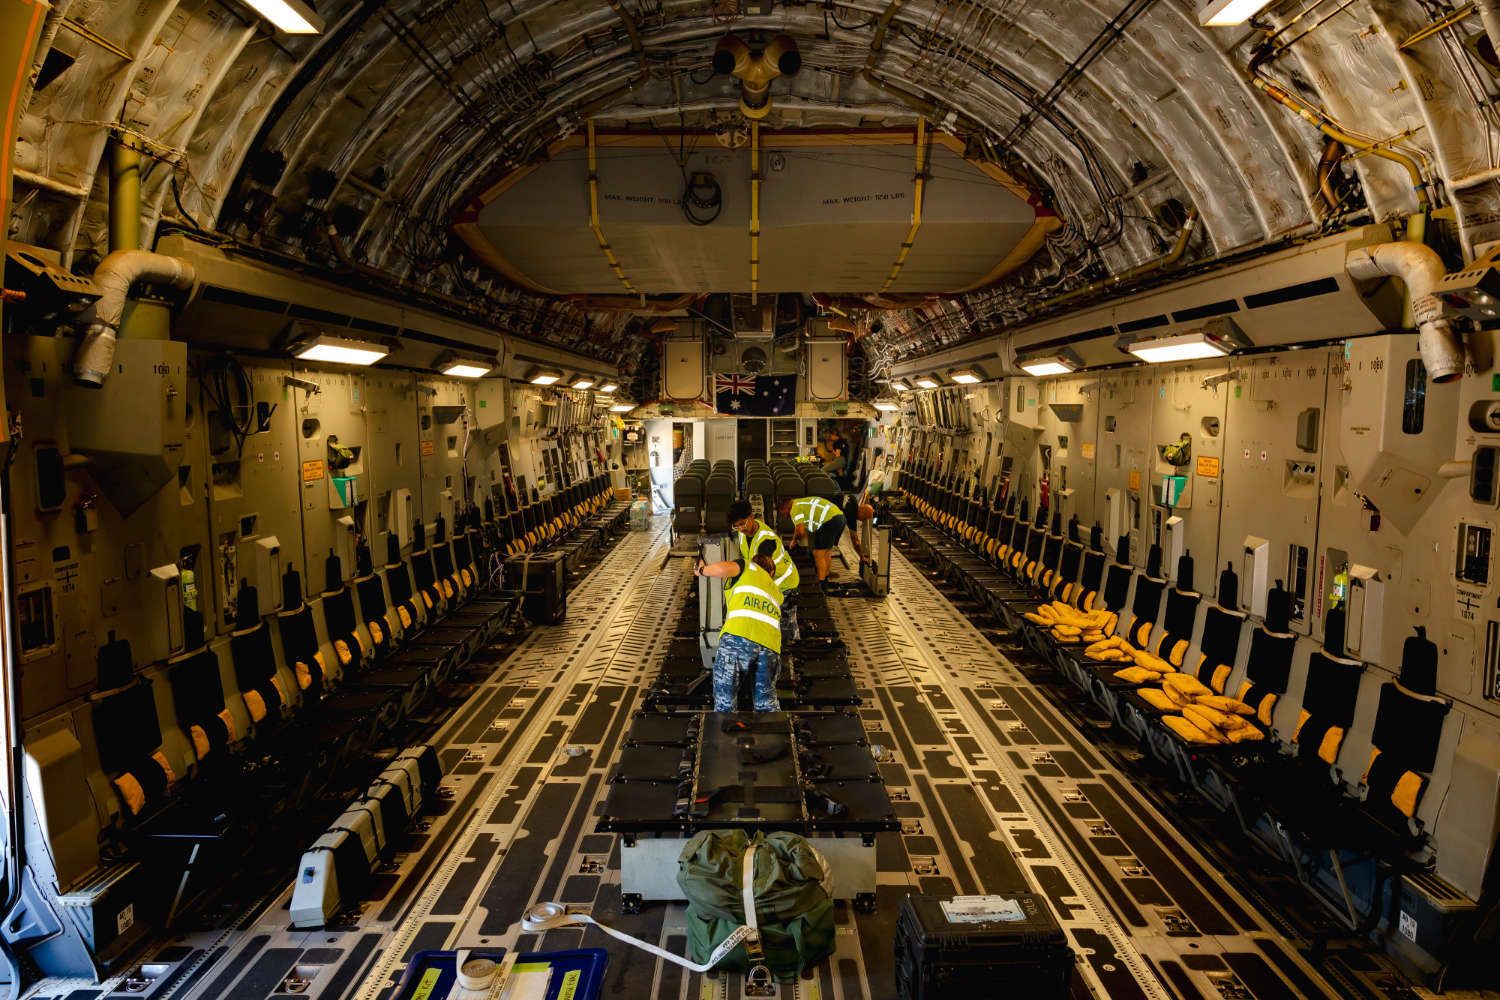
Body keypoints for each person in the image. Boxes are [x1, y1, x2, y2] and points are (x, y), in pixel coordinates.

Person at [696, 539, 784, 712]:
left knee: (725, 702)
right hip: (770, 647)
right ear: (772, 571)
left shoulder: (747, 567)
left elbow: (722, 569)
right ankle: (773, 734)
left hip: (737, 639)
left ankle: (722, 735)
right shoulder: (776, 590)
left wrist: (702, 570)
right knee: (766, 702)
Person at [729, 499, 799, 649]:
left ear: (752, 516)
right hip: (770, 581)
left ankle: (791, 650)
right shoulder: (743, 534)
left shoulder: (766, 541)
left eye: (742, 523)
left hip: (784, 583)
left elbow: (761, 575)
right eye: (736, 526)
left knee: (786, 624)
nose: (740, 529)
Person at [779, 494, 845, 582]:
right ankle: (826, 573)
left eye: (782, 512)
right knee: (825, 551)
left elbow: (800, 530)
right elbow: (799, 527)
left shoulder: (794, 508)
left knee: (818, 553)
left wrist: (794, 540)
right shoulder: (800, 503)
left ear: (785, 506)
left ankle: (821, 583)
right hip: (839, 517)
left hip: (829, 520)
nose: (785, 515)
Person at [840, 493, 877, 568]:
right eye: (864, 518)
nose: (862, 520)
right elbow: (855, 541)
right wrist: (862, 557)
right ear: (862, 512)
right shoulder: (852, 515)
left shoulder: (853, 497)